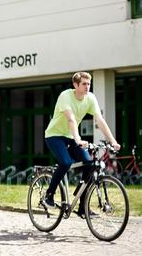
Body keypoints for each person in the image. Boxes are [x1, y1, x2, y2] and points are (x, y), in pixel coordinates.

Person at [42, 71, 120, 216]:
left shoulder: (90, 98)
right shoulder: (65, 96)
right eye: (84, 84)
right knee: (65, 163)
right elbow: (71, 119)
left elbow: (100, 120)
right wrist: (78, 139)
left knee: (89, 165)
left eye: (89, 84)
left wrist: (113, 141)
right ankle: (49, 195)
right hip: (54, 136)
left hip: (71, 136)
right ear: (75, 85)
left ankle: (83, 206)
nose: (87, 86)